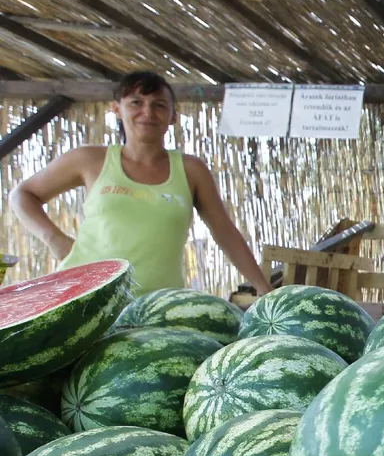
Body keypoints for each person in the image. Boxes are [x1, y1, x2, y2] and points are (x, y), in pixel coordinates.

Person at [8, 71, 272, 297]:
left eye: (159, 105)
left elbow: (224, 231)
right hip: (86, 296)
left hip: (158, 306)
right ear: (117, 109)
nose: (148, 112)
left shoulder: (191, 170)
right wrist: (54, 238)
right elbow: (23, 195)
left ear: (173, 116)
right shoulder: (89, 159)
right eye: (136, 102)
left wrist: (263, 288)